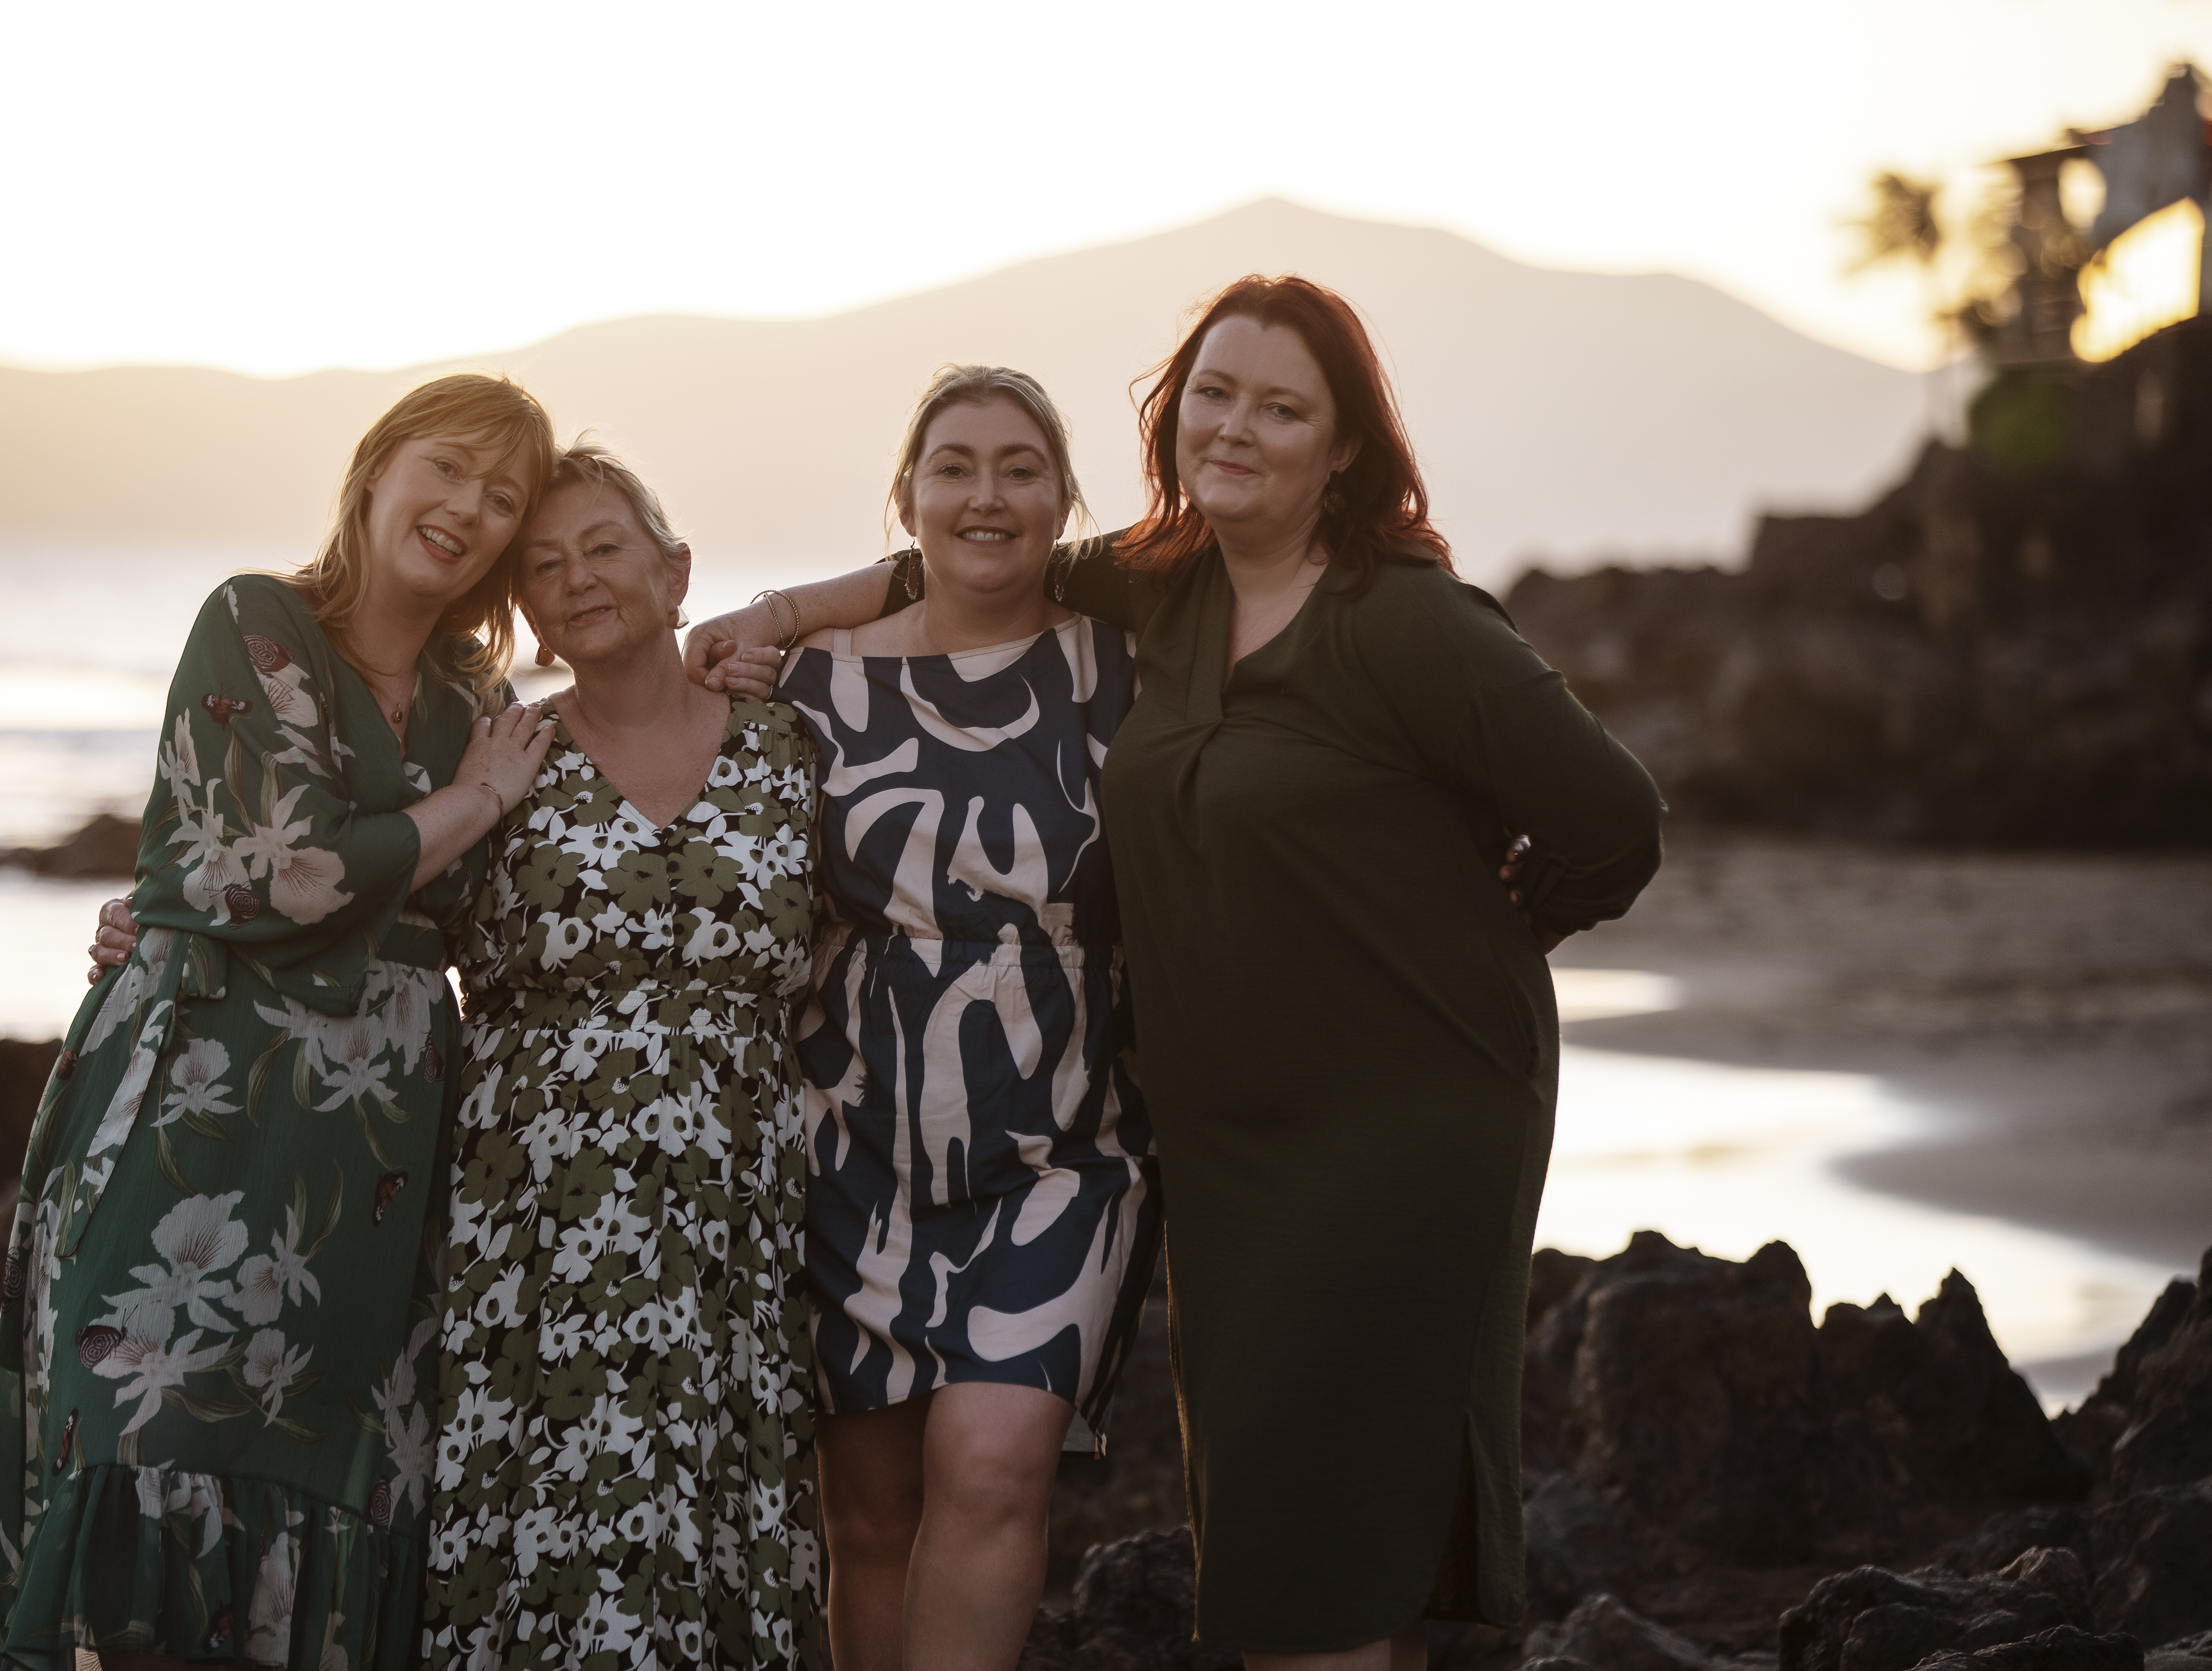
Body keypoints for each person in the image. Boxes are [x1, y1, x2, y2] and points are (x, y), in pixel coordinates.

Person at [689, 280, 1665, 1669]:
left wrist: (1503, 924)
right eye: (1216, 394)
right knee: (1269, 1505)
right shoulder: (1167, 585)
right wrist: (777, 614)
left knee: (1331, 1522)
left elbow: (1616, 824)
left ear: (1344, 449)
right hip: (1226, 1135)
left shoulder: (1407, 622)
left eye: (1283, 408)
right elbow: (948, 569)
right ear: (1172, 415)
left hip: (1404, 1117)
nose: (1238, 428)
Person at [0, 374, 559, 1671]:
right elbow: (288, 878)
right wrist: (471, 809)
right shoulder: (258, 620)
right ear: (379, 466)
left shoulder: (472, 709)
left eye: (503, 498)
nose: (467, 509)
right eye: (448, 468)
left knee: (334, 1480)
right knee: (135, 1431)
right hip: (195, 1108)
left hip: (367, 1157)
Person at [767, 366, 1159, 1671]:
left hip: (1063, 1151)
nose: (987, 494)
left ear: (1064, 500)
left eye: (1018, 467)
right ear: (908, 499)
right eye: (955, 466)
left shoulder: (1127, 665)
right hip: (848, 1142)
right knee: (870, 1511)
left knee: (995, 1470)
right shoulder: (804, 685)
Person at [415, 443, 826, 1669]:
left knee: (710, 1513)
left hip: (732, 1222)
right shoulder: (503, 760)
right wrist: (149, 932)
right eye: (543, 567)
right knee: (553, 1514)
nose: (576, 580)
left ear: (676, 570)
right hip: (538, 1228)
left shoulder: (789, 747)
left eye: (603, 549)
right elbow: (371, 904)